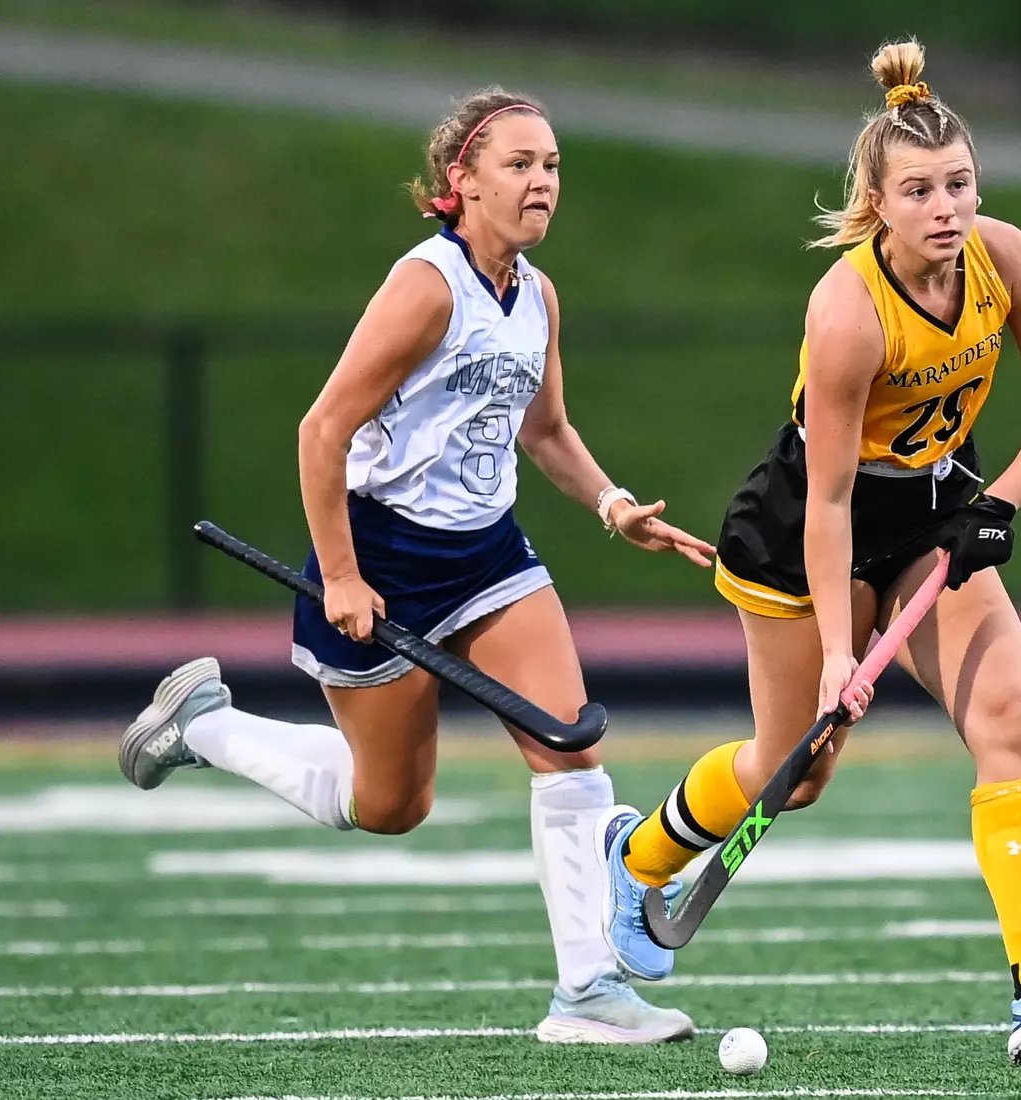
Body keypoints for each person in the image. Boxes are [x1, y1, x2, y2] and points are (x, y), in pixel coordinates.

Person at [118, 88, 713, 1045]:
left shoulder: (538, 294)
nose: (542, 182)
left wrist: (613, 507)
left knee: (569, 744)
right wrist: (345, 577)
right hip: (383, 554)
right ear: (460, 184)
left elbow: (546, 429)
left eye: (552, 165)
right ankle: (207, 727)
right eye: (518, 165)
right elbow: (322, 430)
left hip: (488, 555)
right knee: (389, 804)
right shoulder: (428, 286)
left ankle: (588, 996)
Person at [596, 42, 1021, 1065]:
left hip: (936, 513)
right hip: (808, 526)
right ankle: (637, 857)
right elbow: (832, 498)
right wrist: (843, 656)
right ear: (877, 203)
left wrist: (999, 501)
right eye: (921, 190)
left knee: (1006, 718)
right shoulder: (847, 313)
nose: (947, 207)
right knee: (793, 770)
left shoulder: (1004, 260)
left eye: (960, 184)